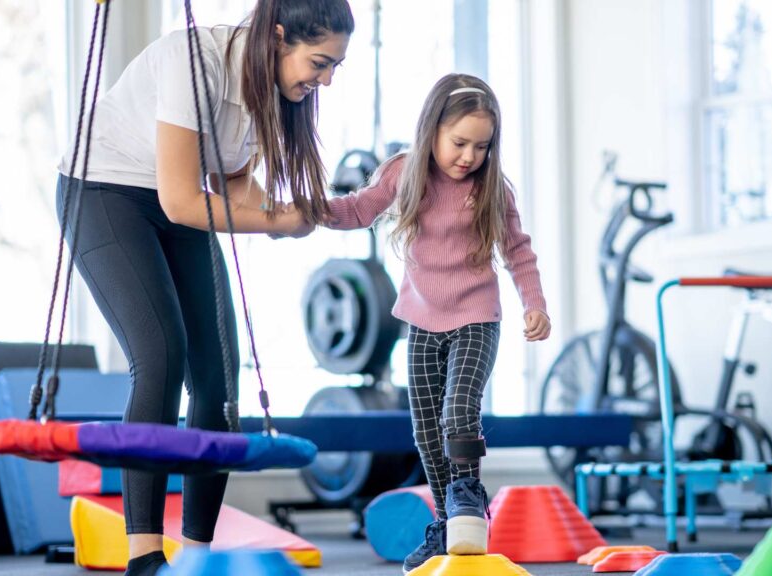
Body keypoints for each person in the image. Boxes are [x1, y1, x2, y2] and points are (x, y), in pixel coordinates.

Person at [55, 2, 353, 575]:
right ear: (279, 35)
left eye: (335, 67)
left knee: (217, 375)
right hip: (104, 191)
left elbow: (231, 180)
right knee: (160, 354)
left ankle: (197, 557)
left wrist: (293, 212)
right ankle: (143, 555)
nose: (326, 80)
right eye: (320, 63)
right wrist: (276, 222)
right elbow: (182, 201)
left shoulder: (270, 89)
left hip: (179, 202)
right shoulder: (196, 61)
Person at [319, 73, 551, 573]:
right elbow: (359, 209)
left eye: (481, 146)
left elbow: (517, 250)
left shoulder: (491, 188)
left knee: (458, 408)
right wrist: (310, 210)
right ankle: (451, 527)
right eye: (459, 143)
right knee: (426, 431)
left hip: (477, 318)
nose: (468, 156)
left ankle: (468, 500)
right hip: (422, 320)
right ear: (432, 132)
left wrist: (535, 304)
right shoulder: (406, 173)